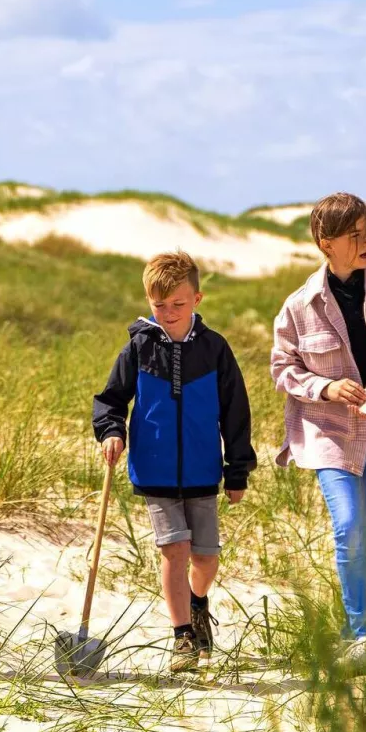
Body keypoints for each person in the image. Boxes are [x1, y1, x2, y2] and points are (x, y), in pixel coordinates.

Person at [271, 194, 366, 672]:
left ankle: (354, 634)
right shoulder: (299, 305)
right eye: (353, 235)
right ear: (326, 242)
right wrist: (325, 386)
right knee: (349, 527)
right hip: (327, 430)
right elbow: (283, 368)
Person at [93, 251, 256, 674]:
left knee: (206, 558)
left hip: (204, 470)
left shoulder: (215, 349)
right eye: (158, 305)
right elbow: (110, 401)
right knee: (175, 550)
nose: (167, 313)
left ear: (197, 299)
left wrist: (237, 469)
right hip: (155, 469)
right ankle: (182, 635)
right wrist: (112, 432)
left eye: (177, 305)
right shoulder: (138, 347)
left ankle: (198, 601)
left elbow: (236, 411)